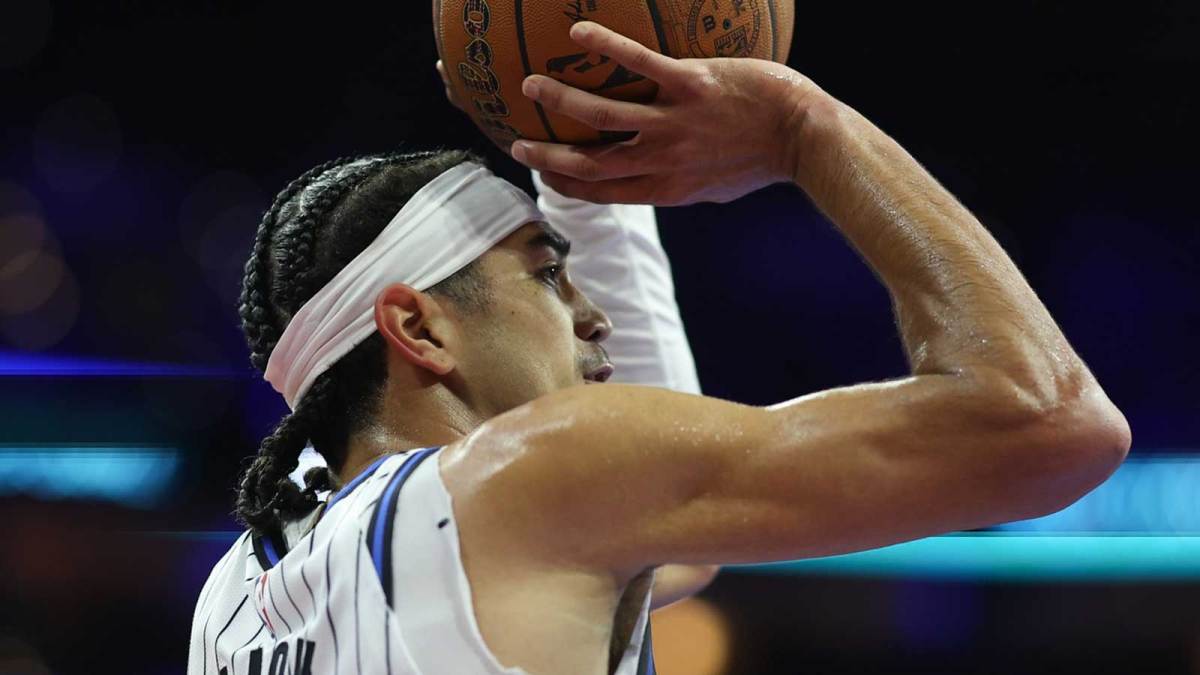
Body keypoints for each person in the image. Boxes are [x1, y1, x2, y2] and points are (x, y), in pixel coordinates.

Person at [188, 20, 1130, 675]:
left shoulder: (236, 595)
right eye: (546, 276)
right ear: (419, 328)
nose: (592, 315)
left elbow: (674, 536)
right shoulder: (528, 476)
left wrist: (578, 160)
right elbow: (1051, 422)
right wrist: (807, 129)